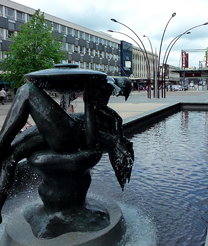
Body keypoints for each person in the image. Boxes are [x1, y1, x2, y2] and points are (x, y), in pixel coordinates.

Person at [0, 75, 134, 223]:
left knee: (27, 91)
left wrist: (88, 103)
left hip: (68, 134)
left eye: (107, 90)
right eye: (102, 90)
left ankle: (0, 143)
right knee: (9, 159)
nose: (101, 93)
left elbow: (91, 140)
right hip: (63, 127)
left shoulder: (113, 122)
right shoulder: (107, 114)